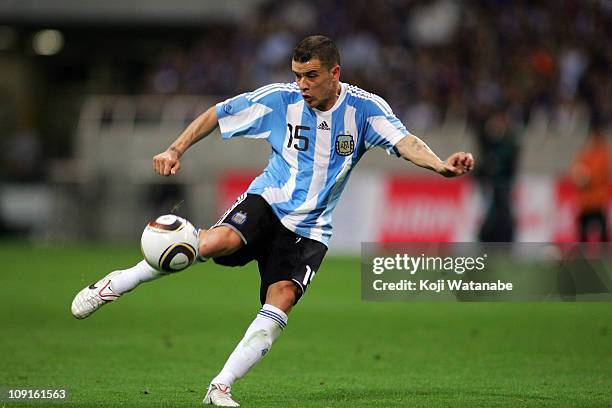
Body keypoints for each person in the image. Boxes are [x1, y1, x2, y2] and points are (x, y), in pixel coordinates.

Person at [71, 35, 475, 406]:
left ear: (335, 73)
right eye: (297, 75)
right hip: (268, 200)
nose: (302, 84)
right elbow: (217, 113)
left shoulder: (365, 110)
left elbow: (405, 141)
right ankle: (115, 283)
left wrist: (440, 165)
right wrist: (175, 149)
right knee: (213, 244)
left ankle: (221, 386)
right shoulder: (279, 99)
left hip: (311, 228)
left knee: (281, 298)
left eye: (311, 76)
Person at [571, 124, 609, 242]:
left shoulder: (602, 155)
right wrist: (579, 177)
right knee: (583, 229)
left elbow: (599, 175)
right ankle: (583, 253)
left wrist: (587, 177)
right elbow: (576, 171)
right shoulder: (585, 155)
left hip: (597, 198)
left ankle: (604, 253)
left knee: (601, 228)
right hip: (586, 200)